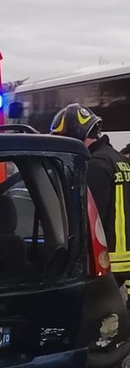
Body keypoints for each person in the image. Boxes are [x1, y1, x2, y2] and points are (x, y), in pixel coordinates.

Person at [50, 104, 130, 302]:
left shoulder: (95, 164)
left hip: (110, 259)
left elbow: (91, 217)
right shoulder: (118, 158)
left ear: (76, 136)